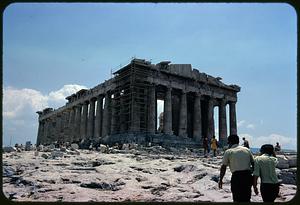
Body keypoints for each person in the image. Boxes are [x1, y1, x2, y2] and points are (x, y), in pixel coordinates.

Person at [218, 134, 254, 202]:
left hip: (237, 177)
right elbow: (253, 163)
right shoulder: (247, 150)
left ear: (230, 142)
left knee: (236, 198)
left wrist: (221, 179)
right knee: (247, 198)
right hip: (247, 176)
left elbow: (223, 167)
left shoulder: (228, 151)